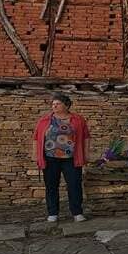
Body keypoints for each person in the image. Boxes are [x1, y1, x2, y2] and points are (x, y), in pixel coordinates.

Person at [33, 93, 91, 223]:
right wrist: (36, 155)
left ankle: (77, 212)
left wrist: (86, 154)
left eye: (57, 103)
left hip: (71, 158)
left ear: (66, 105)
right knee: (51, 185)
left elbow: (86, 137)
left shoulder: (78, 120)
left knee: (74, 185)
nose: (54, 106)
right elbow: (36, 138)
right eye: (53, 104)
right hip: (50, 158)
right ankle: (53, 212)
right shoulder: (44, 120)